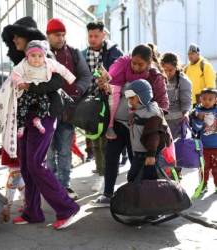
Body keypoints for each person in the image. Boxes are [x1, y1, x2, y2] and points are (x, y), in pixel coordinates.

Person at [1, 16, 79, 230]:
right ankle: (32, 212)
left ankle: (66, 207)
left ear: (28, 36)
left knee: (35, 163)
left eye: (18, 35)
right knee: (26, 164)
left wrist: (30, 87)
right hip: (25, 116)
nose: (15, 39)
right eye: (13, 36)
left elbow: (57, 81)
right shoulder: (23, 60)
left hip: (44, 115)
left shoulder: (44, 55)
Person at [92, 44, 169, 206]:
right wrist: (105, 87)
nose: (135, 67)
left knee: (137, 163)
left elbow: (162, 105)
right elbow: (113, 91)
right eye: (133, 63)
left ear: (149, 63)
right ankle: (108, 194)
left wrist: (147, 119)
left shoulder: (155, 78)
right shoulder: (122, 69)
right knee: (111, 157)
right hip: (118, 124)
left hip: (140, 129)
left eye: (140, 64)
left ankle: (138, 197)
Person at [46, 18, 91, 199]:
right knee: (48, 152)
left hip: (68, 111)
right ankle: (51, 186)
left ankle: (64, 186)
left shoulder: (73, 53)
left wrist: (77, 90)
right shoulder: (38, 53)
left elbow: (85, 75)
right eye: (57, 35)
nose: (61, 38)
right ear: (48, 35)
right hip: (46, 112)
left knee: (65, 150)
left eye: (63, 35)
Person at [82, 21, 123, 176]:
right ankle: (101, 172)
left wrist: (108, 81)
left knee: (108, 140)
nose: (92, 39)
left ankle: (110, 172)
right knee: (95, 141)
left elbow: (121, 74)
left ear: (103, 35)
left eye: (96, 36)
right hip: (90, 103)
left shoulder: (114, 52)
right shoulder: (83, 54)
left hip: (109, 101)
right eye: (90, 36)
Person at [11, 40, 76, 138]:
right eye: (33, 56)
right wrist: (20, 82)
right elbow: (15, 73)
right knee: (22, 106)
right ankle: (21, 126)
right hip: (28, 91)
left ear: (44, 56)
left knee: (45, 104)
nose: (36, 59)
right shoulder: (23, 64)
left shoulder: (49, 63)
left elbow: (62, 69)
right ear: (27, 56)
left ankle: (38, 119)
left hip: (42, 91)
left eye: (40, 56)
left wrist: (70, 78)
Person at [124, 79, 172, 182]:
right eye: (128, 99)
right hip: (140, 154)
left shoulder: (150, 113)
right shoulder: (141, 110)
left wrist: (150, 155)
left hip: (146, 155)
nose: (130, 101)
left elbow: (154, 136)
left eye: (132, 98)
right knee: (140, 180)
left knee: (137, 180)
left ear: (143, 96)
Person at [191, 88, 217, 193]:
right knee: (203, 168)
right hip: (204, 147)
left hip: (216, 147)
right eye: (204, 99)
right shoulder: (197, 112)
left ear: (215, 100)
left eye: (210, 99)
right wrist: (199, 119)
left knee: (216, 168)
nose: (207, 101)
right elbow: (196, 129)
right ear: (200, 99)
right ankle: (203, 185)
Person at [161, 52, 192, 138]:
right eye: (164, 70)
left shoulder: (183, 81)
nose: (167, 73)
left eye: (170, 70)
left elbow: (186, 102)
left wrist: (186, 114)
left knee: (176, 149)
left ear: (176, 67)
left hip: (177, 123)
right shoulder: (158, 78)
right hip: (161, 123)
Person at [0, 147, 25, 222]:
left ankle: (6, 209)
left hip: (16, 163)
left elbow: (12, 142)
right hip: (16, 163)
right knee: (21, 185)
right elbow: (8, 143)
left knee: (11, 188)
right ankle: (27, 204)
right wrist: (0, 151)